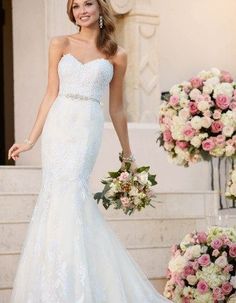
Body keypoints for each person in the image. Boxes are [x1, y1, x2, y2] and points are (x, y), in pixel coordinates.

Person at [8, 0, 170, 302]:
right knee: (56, 196)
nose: (81, 10)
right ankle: (56, 285)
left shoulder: (117, 55)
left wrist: (127, 155)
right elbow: (49, 94)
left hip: (87, 127)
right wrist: (31, 139)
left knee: (73, 193)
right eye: (75, 5)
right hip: (60, 124)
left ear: (100, 8)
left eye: (88, 4)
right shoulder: (60, 43)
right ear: (71, 12)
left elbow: (118, 109)